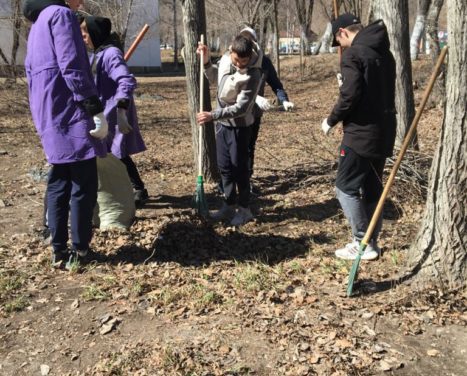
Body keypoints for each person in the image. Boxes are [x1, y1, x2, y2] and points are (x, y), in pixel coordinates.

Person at [23, 0, 108, 268]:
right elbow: (71, 63)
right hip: (70, 110)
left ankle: (58, 249)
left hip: (47, 111)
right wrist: (92, 104)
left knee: (59, 179)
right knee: (83, 183)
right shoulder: (61, 15)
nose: (81, 1)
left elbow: (29, 71)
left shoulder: (37, 24)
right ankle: (80, 250)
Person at [320, 13, 396, 260]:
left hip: (360, 134)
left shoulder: (354, 54)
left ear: (343, 32)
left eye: (338, 41)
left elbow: (350, 96)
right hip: (384, 132)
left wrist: (331, 120)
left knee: (345, 188)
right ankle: (371, 243)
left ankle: (360, 241)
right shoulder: (385, 54)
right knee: (372, 187)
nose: (340, 47)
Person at [80, 16, 149, 208]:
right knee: (111, 153)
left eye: (85, 33)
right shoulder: (97, 53)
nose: (83, 37)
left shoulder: (111, 54)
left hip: (116, 112)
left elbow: (125, 81)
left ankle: (139, 190)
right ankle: (125, 188)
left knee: (118, 153)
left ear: (95, 33)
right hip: (103, 112)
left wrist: (121, 108)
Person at [196, 35, 263, 226]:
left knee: (240, 169)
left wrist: (213, 115)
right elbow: (213, 76)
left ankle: (244, 209)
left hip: (240, 128)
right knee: (224, 167)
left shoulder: (254, 75)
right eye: (237, 60)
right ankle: (228, 204)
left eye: (245, 61)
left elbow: (241, 108)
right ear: (230, 51)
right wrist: (207, 60)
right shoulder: (226, 61)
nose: (241, 64)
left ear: (250, 57)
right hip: (223, 126)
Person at [239, 27, 294, 193]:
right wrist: (254, 97)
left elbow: (276, 84)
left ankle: (246, 182)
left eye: (251, 42)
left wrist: (284, 101)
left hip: (254, 113)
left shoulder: (264, 62)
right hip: (233, 114)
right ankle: (230, 184)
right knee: (235, 149)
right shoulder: (234, 58)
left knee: (250, 146)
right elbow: (231, 87)